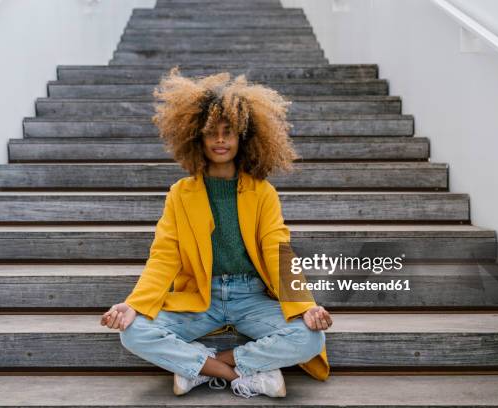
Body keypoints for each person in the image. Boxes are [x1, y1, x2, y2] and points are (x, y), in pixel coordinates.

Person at [99, 66, 332, 398]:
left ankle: (200, 367)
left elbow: (278, 249)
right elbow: (164, 256)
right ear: (197, 137)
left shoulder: (262, 192)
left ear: (243, 137)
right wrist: (134, 304)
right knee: (132, 333)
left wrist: (305, 305)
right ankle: (239, 374)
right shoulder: (181, 193)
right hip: (201, 298)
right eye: (212, 132)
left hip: (251, 297)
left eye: (229, 131)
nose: (220, 140)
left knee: (310, 337)